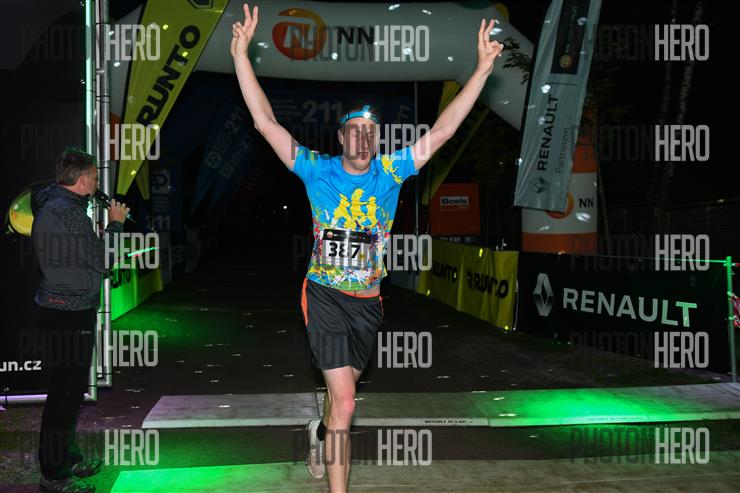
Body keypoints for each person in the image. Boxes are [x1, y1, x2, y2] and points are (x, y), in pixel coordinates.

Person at [230, 4, 503, 491]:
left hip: (368, 303)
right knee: (348, 402)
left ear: (377, 140)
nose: (362, 140)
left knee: (342, 399)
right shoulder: (316, 169)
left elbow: (443, 130)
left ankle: (319, 434)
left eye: (370, 133)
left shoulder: (392, 171)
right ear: (341, 138)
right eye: (354, 132)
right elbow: (266, 122)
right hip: (324, 295)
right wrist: (240, 57)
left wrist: (482, 69)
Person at [32, 148, 129, 493]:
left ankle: (66, 457)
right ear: (84, 179)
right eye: (96, 177)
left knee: (69, 393)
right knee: (64, 395)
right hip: (67, 314)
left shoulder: (56, 205)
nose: (98, 183)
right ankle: (54, 474)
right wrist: (115, 224)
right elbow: (104, 260)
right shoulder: (68, 213)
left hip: (62, 310)